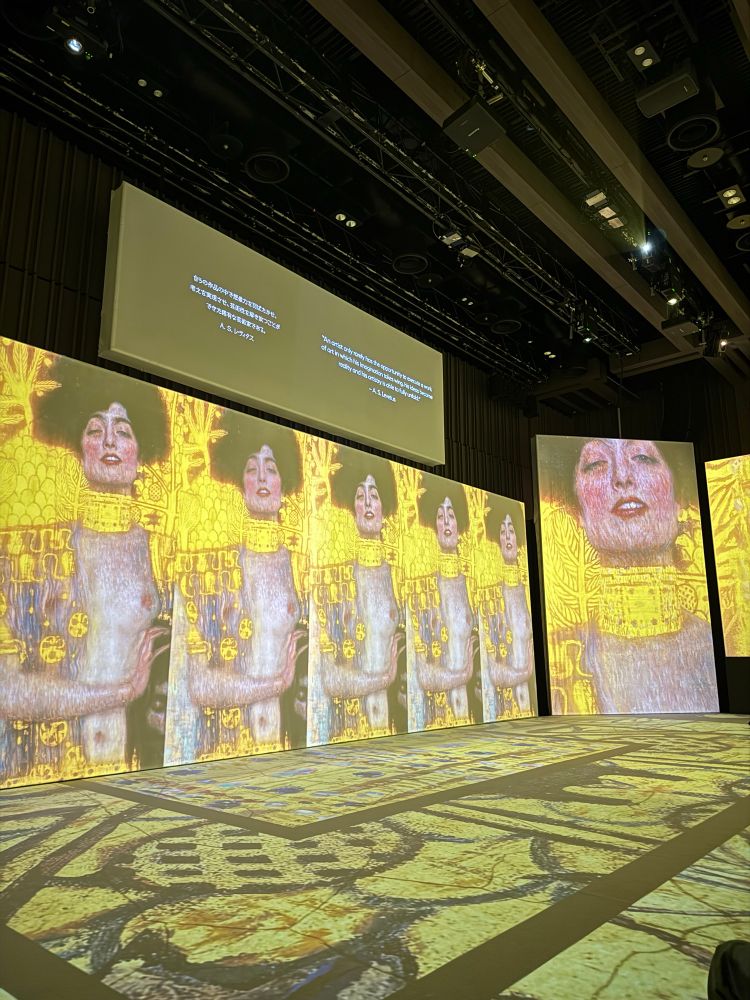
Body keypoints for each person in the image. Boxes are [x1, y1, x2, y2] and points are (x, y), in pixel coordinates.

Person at [1, 364, 171, 785]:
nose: (109, 440)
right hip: (40, 766)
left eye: (123, 431)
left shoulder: (159, 553)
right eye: (95, 429)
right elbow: (9, 691)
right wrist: (121, 692)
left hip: (124, 764)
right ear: (80, 448)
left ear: (141, 455)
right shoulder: (38, 549)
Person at [541, 436, 718, 714]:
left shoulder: (713, 648)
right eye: (596, 464)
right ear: (579, 515)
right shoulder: (562, 657)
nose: (622, 477)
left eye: (642, 458)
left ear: (679, 501)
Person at [186, 429, 305, 757]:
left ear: (284, 482)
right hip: (223, 746)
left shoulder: (297, 563)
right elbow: (201, 684)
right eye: (252, 469)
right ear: (239, 481)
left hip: (283, 744)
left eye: (272, 468)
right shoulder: (217, 560)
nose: (262, 477)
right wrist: (274, 684)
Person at [313, 461, 400, 742]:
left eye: (374, 495)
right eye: (360, 496)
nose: (368, 503)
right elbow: (331, 677)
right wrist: (383, 679)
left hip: (391, 729)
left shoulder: (396, 574)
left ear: (384, 507)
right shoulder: (337, 573)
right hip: (345, 729)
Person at [411, 491, 474, 729]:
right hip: (434, 720)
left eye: (451, 515)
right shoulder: (424, 585)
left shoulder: (472, 584)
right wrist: (463, 675)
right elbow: (424, 673)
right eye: (440, 516)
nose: (447, 522)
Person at [485, 512, 534, 716]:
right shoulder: (491, 593)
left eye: (511, 531)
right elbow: (493, 671)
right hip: (505, 710)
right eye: (502, 531)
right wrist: (524, 673)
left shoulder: (527, 588)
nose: (507, 536)